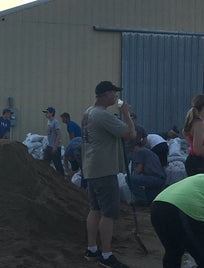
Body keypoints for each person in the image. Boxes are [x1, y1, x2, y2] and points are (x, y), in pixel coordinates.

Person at [82, 81, 135, 268]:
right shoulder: (102, 115)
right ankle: (106, 255)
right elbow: (130, 134)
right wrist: (126, 114)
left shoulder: (88, 113)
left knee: (95, 209)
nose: (116, 97)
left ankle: (92, 248)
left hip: (92, 167)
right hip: (105, 169)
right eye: (114, 93)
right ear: (105, 94)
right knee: (108, 213)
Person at [127, 139, 166, 205]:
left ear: (135, 147)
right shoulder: (149, 152)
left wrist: (131, 174)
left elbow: (139, 170)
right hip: (160, 180)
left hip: (153, 179)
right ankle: (146, 200)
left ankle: (141, 200)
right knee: (151, 200)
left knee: (128, 178)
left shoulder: (140, 151)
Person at [43, 107, 63, 175]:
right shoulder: (49, 121)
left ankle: (62, 179)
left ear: (51, 113)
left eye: (47, 112)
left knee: (57, 164)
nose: (45, 114)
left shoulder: (55, 122)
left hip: (55, 147)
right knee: (44, 162)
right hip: (49, 146)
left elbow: (59, 134)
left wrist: (55, 146)